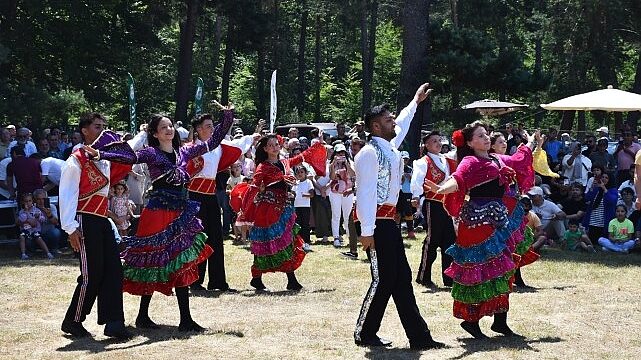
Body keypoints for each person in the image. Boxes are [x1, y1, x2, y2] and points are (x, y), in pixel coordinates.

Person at [427, 122, 540, 339]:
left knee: (504, 269)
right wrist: (442, 188)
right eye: (481, 136)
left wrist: (532, 142)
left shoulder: (496, 158)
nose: (486, 138)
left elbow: (518, 159)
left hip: (497, 222)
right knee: (478, 272)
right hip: (477, 226)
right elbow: (458, 179)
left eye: (486, 134)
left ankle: (500, 322)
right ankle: (472, 321)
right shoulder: (470, 161)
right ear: (470, 143)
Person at [353, 83, 444, 349]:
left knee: (401, 278)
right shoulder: (369, 153)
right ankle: (365, 333)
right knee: (383, 279)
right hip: (376, 224)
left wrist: (416, 101)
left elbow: (404, 121)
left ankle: (419, 337)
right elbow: (366, 193)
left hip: (389, 222)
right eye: (388, 120)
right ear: (376, 127)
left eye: (392, 118)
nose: (394, 122)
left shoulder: (389, 147)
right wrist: (367, 231)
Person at [59, 112, 132, 339]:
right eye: (97, 126)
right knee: (92, 273)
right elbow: (67, 193)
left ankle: (114, 323)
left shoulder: (105, 158)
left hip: (102, 219)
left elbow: (130, 153)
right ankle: (73, 320)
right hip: (84, 219)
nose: (102, 130)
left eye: (103, 126)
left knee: (113, 269)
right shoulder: (76, 158)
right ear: (84, 130)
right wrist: (70, 228)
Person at [239, 135, 326, 291]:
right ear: (265, 149)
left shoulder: (285, 162)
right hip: (268, 211)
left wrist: (316, 147)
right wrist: (245, 208)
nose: (274, 147)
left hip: (284, 208)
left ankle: (289, 280)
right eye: (270, 145)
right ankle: (258, 278)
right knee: (265, 243)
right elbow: (253, 187)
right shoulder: (263, 167)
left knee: (288, 241)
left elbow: (301, 157)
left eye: (276, 144)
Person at [187, 114, 258, 292]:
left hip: (210, 196)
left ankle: (218, 281)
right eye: (209, 126)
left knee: (216, 239)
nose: (212, 129)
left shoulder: (217, 147)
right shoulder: (190, 149)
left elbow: (237, 145)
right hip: (194, 197)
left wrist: (251, 137)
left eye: (213, 126)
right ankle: (195, 281)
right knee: (198, 239)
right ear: (198, 129)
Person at [411, 131, 457, 289]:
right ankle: (423, 276)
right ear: (427, 145)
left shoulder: (447, 159)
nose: (438, 143)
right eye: (434, 141)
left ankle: (449, 277)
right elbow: (417, 179)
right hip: (433, 203)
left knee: (450, 239)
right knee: (433, 239)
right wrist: (416, 196)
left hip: (447, 204)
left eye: (439, 140)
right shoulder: (424, 161)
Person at [328, 143, 355, 247]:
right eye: (339, 152)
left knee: (348, 215)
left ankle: (350, 237)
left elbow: (353, 174)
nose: (341, 154)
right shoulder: (331, 164)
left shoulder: (350, 162)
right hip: (335, 192)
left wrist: (347, 164)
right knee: (336, 215)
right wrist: (334, 164)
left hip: (347, 191)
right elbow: (332, 177)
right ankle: (336, 237)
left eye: (343, 152)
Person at [584, 172, 618, 244]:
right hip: (593, 220)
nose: (604, 179)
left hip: (603, 221)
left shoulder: (613, 190)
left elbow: (612, 201)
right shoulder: (596, 188)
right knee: (592, 240)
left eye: (606, 178)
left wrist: (605, 189)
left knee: (600, 241)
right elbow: (587, 198)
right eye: (603, 177)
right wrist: (592, 188)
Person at [17, 192, 54, 260]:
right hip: (26, 230)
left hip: (35, 230)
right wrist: (27, 213)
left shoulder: (36, 210)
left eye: (29, 201)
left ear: (32, 201)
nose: (28, 203)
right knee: (21, 236)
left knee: (39, 238)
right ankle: (23, 254)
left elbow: (42, 219)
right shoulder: (21, 211)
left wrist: (38, 218)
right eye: (26, 201)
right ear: (23, 202)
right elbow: (22, 219)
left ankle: (48, 253)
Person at [33, 188, 63, 253]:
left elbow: (56, 223)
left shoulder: (51, 207)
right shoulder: (32, 208)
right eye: (38, 199)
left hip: (48, 234)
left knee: (56, 232)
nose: (41, 201)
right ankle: (35, 250)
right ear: (35, 200)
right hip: (36, 234)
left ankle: (54, 249)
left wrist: (49, 214)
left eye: (43, 199)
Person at [293, 165, 314, 252]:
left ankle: (307, 243)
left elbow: (312, 194)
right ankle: (299, 243)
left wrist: (304, 195)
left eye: (302, 172)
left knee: (305, 225)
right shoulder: (296, 183)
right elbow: (293, 193)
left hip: (305, 206)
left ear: (305, 173)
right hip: (296, 206)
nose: (300, 174)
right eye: (298, 173)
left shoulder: (308, 182)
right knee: (298, 225)